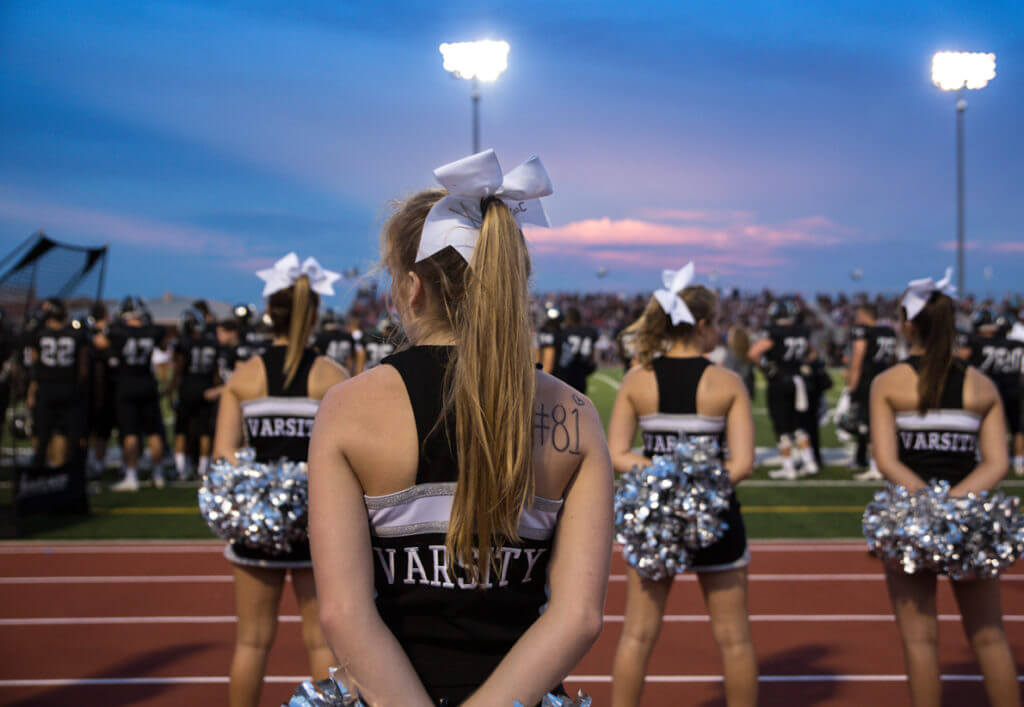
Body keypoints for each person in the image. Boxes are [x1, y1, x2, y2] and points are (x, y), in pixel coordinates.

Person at [307, 150, 612, 705]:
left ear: (412, 288)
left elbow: (344, 613)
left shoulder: (347, 408)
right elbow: (579, 617)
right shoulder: (576, 415)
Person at [608, 265, 756, 707]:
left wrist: (665, 489)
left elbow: (618, 454)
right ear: (705, 325)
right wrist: (696, 491)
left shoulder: (638, 380)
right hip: (717, 519)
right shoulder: (726, 382)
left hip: (655, 521)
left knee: (637, 634)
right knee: (734, 640)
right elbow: (743, 464)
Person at [870, 272, 1019, 707]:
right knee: (990, 637)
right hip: (969, 522)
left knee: (920, 641)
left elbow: (887, 460)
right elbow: (997, 463)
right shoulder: (982, 385)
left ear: (908, 325)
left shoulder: (888, 383)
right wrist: (955, 506)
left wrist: (928, 507)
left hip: (910, 519)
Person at [212, 253, 347, 707]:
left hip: (257, 532)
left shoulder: (244, 378)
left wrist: (265, 504)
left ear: (270, 313)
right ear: (315, 315)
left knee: (251, 643)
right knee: (322, 646)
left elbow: (222, 460)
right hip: (318, 530)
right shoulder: (333, 378)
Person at [95, 297, 167, 491]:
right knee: (154, 431)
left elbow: (99, 342)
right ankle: (159, 473)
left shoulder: (118, 331)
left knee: (130, 432)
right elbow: (163, 347)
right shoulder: (154, 331)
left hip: (126, 384)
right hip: (147, 382)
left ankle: (131, 475)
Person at [748, 299, 818, 479]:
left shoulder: (774, 332)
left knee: (782, 428)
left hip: (780, 382)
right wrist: (801, 364)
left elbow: (754, 353)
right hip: (799, 381)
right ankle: (809, 463)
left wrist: (767, 369)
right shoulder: (802, 330)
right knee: (799, 425)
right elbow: (813, 353)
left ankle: (788, 468)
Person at [26, 298, 89, 469]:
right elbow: (82, 369)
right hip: (69, 389)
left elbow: (34, 366)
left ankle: (39, 471)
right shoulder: (75, 334)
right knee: (69, 433)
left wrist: (31, 392)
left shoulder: (38, 334)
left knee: (43, 435)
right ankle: (70, 473)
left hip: (46, 389)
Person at [960, 309, 1024, 476]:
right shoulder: (1018, 345)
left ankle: (982, 457)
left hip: (989, 389)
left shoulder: (980, 343)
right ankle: (1019, 462)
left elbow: (962, 358)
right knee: (1017, 427)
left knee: (983, 425)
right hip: (1014, 389)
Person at [846, 303, 898, 480]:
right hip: (885, 380)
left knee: (869, 425)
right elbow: (893, 359)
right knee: (879, 423)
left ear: (864, 314)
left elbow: (857, 358)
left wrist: (852, 387)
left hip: (868, 383)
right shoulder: (889, 332)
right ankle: (863, 459)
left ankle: (875, 466)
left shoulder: (864, 332)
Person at [171, 309, 219, 481]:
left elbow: (178, 369)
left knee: (181, 430)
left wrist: (172, 390)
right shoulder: (212, 342)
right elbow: (215, 371)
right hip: (206, 389)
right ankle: (202, 468)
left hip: (187, 388)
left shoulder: (183, 343)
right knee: (204, 430)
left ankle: (181, 469)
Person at [552, 307, 598, 394]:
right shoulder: (589, 331)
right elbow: (592, 355)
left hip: (565, 374)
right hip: (581, 374)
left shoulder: (563, 332)